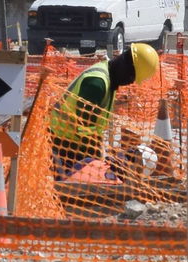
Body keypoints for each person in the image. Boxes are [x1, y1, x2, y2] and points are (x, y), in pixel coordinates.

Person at [47, 42, 160, 179]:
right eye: (132, 78)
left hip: (71, 145)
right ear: (126, 67)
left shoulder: (108, 80)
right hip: (63, 146)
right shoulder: (97, 84)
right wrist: (97, 161)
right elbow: (83, 129)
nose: (130, 83)